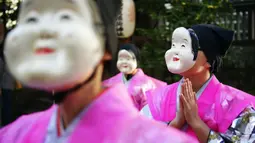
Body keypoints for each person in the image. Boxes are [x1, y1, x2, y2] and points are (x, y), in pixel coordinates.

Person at [0, 0, 197, 142]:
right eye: (33, 19)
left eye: (65, 17)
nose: (45, 32)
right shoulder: (12, 134)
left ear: (104, 47)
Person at [142, 24, 255, 143]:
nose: (176, 51)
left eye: (185, 46)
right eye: (174, 45)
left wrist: (196, 122)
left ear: (209, 60)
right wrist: (176, 123)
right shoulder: (158, 99)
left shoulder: (236, 104)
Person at [103, 43, 166, 111]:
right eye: (121, 59)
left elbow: (149, 112)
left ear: (137, 61)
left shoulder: (147, 85)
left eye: (128, 59)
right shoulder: (109, 83)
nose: (124, 62)